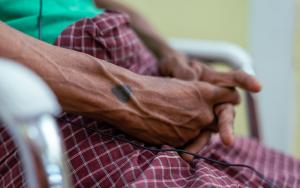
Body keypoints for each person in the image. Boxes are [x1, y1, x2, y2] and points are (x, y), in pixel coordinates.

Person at [0, 1, 299, 187]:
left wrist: (170, 58)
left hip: (143, 84)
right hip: (50, 108)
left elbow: (99, 4)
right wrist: (133, 99)